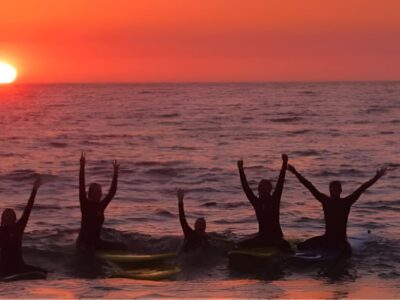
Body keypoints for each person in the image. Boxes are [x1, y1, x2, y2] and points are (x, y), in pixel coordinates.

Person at [288, 164, 387, 256]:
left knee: (348, 254)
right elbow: (310, 187)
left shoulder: (346, 202)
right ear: (329, 190)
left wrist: (376, 177)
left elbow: (362, 188)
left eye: (336, 189)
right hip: (327, 238)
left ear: (340, 191)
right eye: (332, 189)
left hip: (341, 240)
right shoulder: (325, 201)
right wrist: (295, 173)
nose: (333, 191)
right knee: (300, 246)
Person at [237, 154, 291, 250]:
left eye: (264, 188)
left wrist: (284, 163)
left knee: (288, 249)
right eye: (261, 188)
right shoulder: (256, 202)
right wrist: (240, 170)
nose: (262, 189)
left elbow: (280, 182)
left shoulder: (275, 199)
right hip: (263, 238)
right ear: (258, 189)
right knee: (238, 245)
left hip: (276, 238)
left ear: (269, 189)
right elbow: (246, 188)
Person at [0, 178, 46, 277]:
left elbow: (28, 208)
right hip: (4, 268)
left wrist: (34, 190)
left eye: (10, 216)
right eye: (6, 217)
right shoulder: (1, 231)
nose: (8, 219)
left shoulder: (19, 227)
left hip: (19, 266)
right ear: (2, 219)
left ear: (14, 218)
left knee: (44, 273)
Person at [77, 152, 121, 253]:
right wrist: (82, 166)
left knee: (121, 246)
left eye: (100, 191)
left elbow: (112, 192)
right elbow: (81, 184)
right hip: (84, 244)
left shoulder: (101, 205)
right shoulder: (85, 203)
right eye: (96, 191)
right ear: (90, 193)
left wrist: (115, 174)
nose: (99, 193)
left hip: (96, 243)